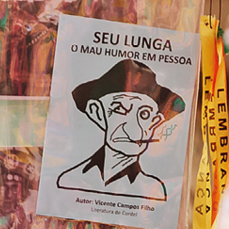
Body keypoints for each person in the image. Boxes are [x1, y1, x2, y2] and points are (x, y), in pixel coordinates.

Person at [55, 58, 184, 202]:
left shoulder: (154, 192)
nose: (131, 129)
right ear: (97, 113)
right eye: (120, 109)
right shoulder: (69, 180)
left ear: (155, 122)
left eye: (144, 114)